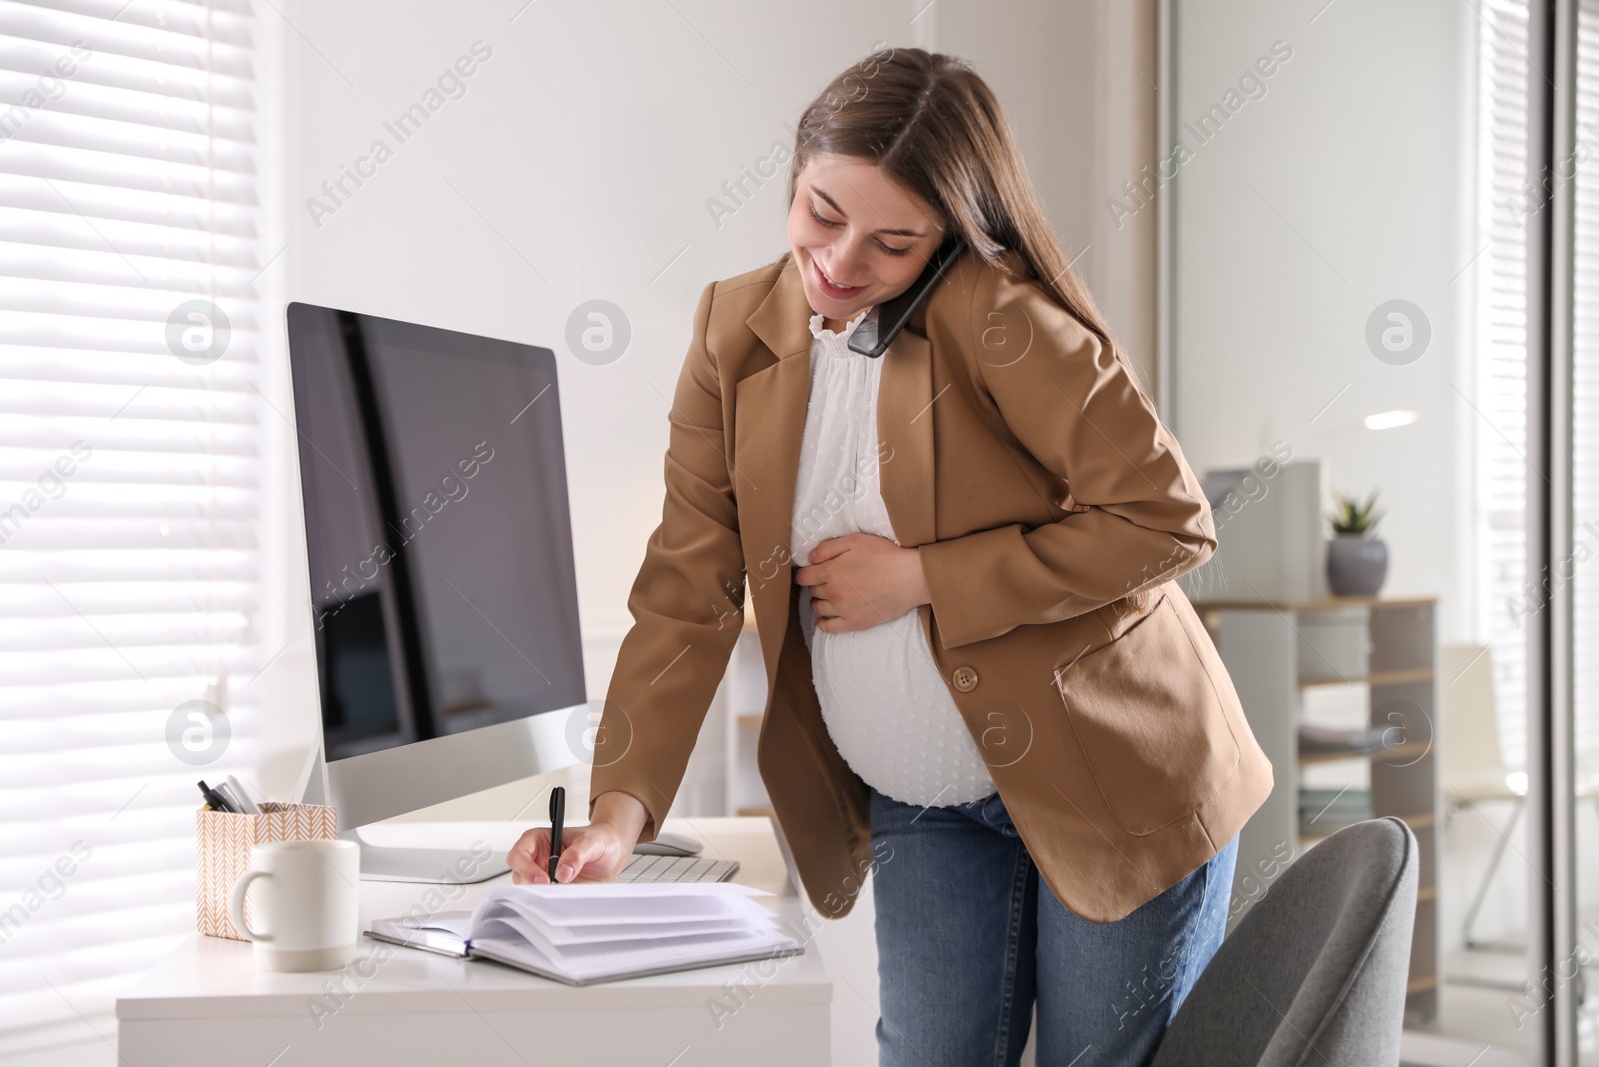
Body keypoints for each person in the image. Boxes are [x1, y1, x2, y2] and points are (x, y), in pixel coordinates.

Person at [508, 45, 1273, 1066]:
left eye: (894, 241)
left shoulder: (1005, 322)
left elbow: (1164, 517)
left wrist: (920, 577)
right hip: (924, 802)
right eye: (822, 212)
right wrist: (615, 816)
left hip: (1113, 775)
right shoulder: (731, 332)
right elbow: (688, 584)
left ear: (950, 235)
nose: (839, 260)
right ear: (793, 174)